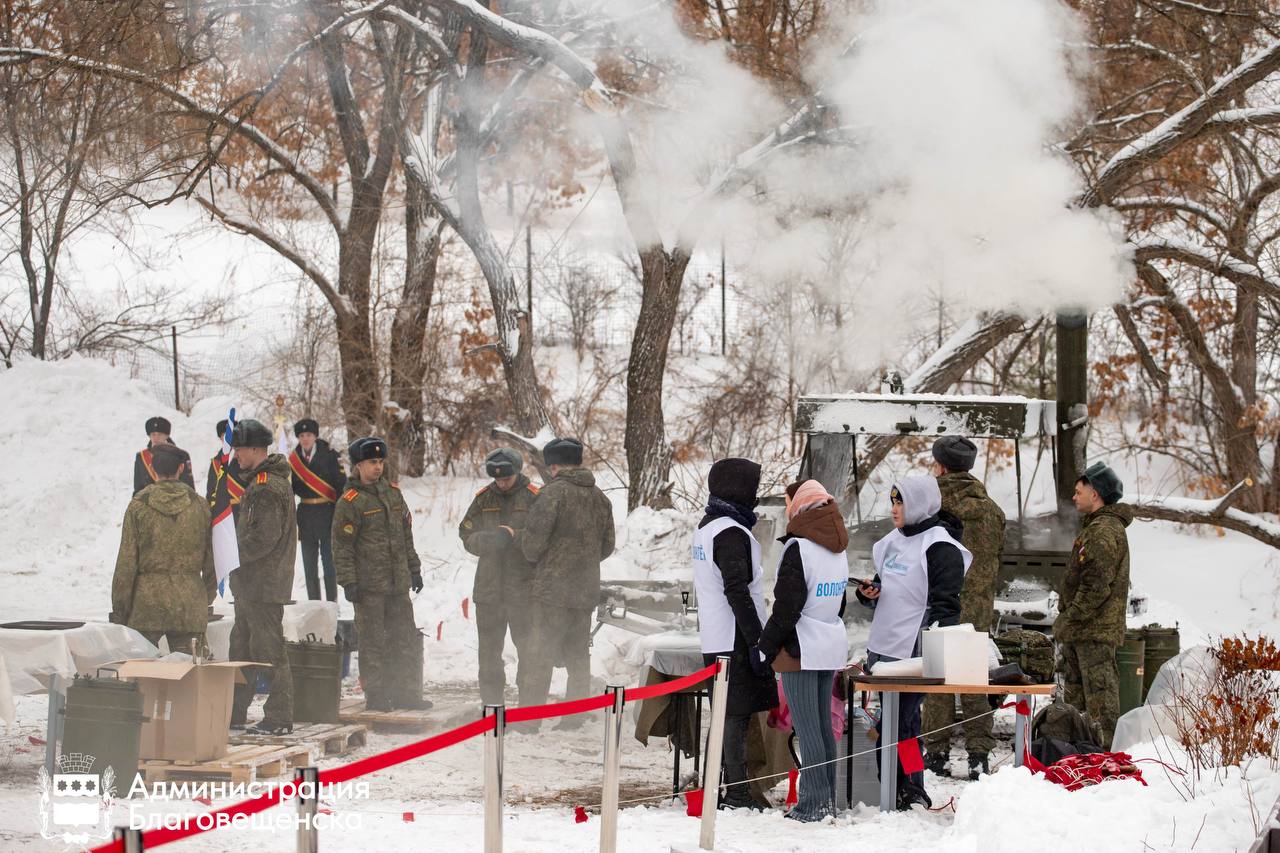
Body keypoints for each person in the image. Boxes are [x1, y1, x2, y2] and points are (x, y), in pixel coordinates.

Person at [857, 476, 970, 810]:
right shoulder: (891, 542)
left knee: (901, 722)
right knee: (898, 723)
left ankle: (906, 788)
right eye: (892, 502)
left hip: (915, 647)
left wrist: (938, 650)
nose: (894, 510)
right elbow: (887, 587)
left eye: (901, 503)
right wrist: (869, 594)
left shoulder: (939, 546)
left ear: (919, 505)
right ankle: (901, 787)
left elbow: (947, 606)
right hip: (884, 645)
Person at [753, 480, 849, 821]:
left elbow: (786, 608)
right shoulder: (837, 546)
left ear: (800, 504)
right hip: (829, 644)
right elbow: (839, 603)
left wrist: (765, 647)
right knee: (822, 729)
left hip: (800, 648)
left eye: (787, 501)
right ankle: (826, 799)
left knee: (808, 731)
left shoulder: (799, 547)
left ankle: (813, 805)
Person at [691, 458, 779, 810]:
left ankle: (723, 785)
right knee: (734, 716)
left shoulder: (708, 526)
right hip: (734, 635)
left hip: (717, 633)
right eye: (753, 488)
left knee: (727, 714)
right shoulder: (731, 532)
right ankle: (737, 793)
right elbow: (737, 591)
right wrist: (758, 640)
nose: (755, 496)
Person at [922, 436, 1007, 780]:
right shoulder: (992, 511)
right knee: (974, 680)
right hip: (978, 609)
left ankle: (936, 753)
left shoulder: (928, 507)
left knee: (937, 680)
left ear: (940, 466)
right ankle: (978, 756)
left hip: (940, 605)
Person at [518, 438, 614, 728]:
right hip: (585, 591)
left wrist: (547, 561)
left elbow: (532, 545)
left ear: (554, 466)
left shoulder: (551, 494)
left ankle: (529, 721)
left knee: (539, 655)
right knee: (577, 657)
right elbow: (607, 546)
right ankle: (574, 717)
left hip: (552, 592)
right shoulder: (600, 498)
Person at [332, 437, 430, 711]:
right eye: (371, 462)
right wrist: (348, 581)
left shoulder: (393, 494)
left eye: (380, 462)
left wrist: (414, 569)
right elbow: (342, 546)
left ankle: (405, 693)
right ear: (359, 466)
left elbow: (405, 536)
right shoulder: (350, 502)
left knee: (404, 637)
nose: (377, 467)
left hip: (397, 582)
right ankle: (376, 694)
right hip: (369, 586)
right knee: (373, 641)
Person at [1054, 461, 1132, 748]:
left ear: (1095, 494)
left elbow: (1096, 586)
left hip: (1094, 633)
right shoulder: (1096, 527)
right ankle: (1079, 754)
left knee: (1099, 701)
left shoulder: (1102, 532)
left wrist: (1069, 618)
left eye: (1078, 492)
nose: (1074, 497)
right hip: (1083, 632)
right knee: (1077, 702)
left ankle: (1103, 755)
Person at [111, 443, 217, 653]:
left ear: (152, 469)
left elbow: (126, 562)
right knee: (191, 669)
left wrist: (120, 609)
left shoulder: (139, 505)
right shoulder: (200, 505)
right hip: (189, 605)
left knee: (142, 669)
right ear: (181, 468)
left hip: (147, 606)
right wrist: (204, 597)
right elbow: (211, 560)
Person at [227, 418, 297, 735]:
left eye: (240, 449)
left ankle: (279, 717)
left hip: (263, 585)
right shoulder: (260, 482)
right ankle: (233, 712)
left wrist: (231, 554)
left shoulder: (267, 487)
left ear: (256, 449)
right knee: (241, 650)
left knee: (269, 652)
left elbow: (263, 538)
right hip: (251, 585)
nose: (236, 455)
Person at [458, 448, 539, 707]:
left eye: (507, 478)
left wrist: (515, 536)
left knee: (529, 651)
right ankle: (492, 707)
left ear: (517, 472)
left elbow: (542, 538)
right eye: (498, 479)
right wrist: (490, 539)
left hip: (523, 590)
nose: (502, 483)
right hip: (489, 590)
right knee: (489, 653)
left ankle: (528, 710)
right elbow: (466, 534)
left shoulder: (534, 497)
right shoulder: (484, 498)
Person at [288, 418, 346, 602]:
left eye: (309, 435)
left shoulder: (330, 455)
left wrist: (340, 514)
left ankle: (331, 604)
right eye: (302, 436)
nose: (305, 439)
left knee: (329, 565)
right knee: (309, 567)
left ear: (315, 436)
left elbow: (341, 485)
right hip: (306, 516)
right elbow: (290, 489)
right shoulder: (293, 459)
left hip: (328, 513)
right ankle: (314, 604)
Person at [134, 416, 194, 496]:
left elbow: (188, 485)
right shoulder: (141, 457)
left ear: (166, 436)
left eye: (160, 434)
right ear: (149, 436)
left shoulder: (181, 455)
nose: (156, 438)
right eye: (153, 434)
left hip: (176, 500)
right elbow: (138, 488)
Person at [206, 419, 247, 512]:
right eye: (225, 435)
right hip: (223, 513)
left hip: (243, 511)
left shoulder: (247, 457)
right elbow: (211, 493)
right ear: (220, 438)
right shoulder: (215, 462)